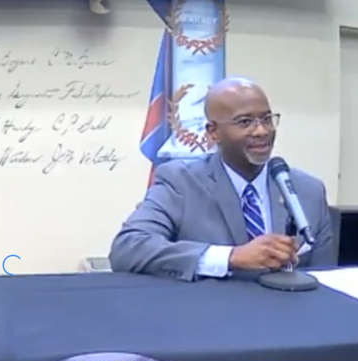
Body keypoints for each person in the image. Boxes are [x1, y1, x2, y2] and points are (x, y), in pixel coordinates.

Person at [108, 77, 335, 281]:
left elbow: (326, 280)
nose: (261, 131)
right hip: (209, 320)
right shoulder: (181, 182)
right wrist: (230, 257)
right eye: (245, 122)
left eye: (266, 119)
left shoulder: (308, 190)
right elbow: (128, 248)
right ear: (213, 132)